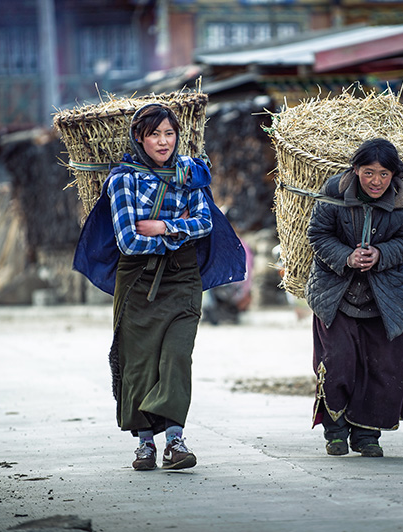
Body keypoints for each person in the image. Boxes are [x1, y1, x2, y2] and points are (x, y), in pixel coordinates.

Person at [101, 103, 245, 471]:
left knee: (177, 356)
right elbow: (128, 242)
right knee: (140, 362)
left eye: (170, 133)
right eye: (154, 134)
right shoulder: (122, 180)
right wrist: (178, 231)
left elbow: (204, 223)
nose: (164, 142)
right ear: (139, 137)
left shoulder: (189, 174)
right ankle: (146, 445)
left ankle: (175, 440)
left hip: (182, 278)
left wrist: (163, 228)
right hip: (137, 279)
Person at [305, 138, 403, 458]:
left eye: (384, 174)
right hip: (337, 292)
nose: (376, 181)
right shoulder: (334, 195)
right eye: (368, 173)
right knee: (338, 362)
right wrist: (347, 257)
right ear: (356, 170)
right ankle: (336, 430)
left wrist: (380, 254)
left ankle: (367, 435)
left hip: (385, 297)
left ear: (394, 175)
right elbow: (318, 234)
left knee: (382, 367)